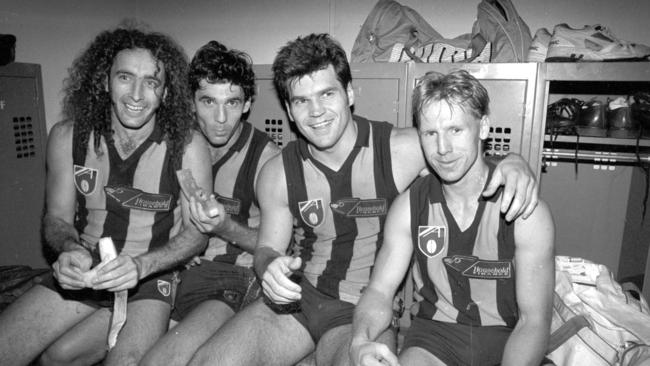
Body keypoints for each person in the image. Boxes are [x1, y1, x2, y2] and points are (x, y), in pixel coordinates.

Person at [188, 33, 539, 366]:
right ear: (290, 112)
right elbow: (267, 249)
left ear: (350, 93)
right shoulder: (278, 173)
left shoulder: (400, 148)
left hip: (363, 309)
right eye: (301, 101)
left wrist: (513, 162)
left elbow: (460, 152)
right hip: (299, 299)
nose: (317, 111)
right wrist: (270, 269)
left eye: (327, 94)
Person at [0, 25, 212, 366]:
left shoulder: (188, 147)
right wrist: (70, 250)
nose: (137, 95)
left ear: (166, 92)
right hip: (87, 267)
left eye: (152, 82)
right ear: (104, 81)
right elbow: (56, 218)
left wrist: (142, 265)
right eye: (125, 77)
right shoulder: (68, 138)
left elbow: (197, 235)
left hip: (150, 275)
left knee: (106, 359)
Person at [349, 70, 555, 366]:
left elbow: (533, 322)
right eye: (430, 133)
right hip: (434, 340)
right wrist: (360, 341)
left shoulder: (526, 211)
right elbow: (380, 291)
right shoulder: (410, 207)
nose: (442, 149)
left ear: (483, 127)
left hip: (509, 339)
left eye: (455, 130)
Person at [140, 40, 280, 366]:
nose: (220, 118)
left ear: (247, 104)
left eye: (232, 103)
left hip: (233, 277)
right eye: (207, 101)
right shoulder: (179, 145)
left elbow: (278, 246)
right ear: (191, 102)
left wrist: (225, 227)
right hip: (178, 272)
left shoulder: (267, 160)